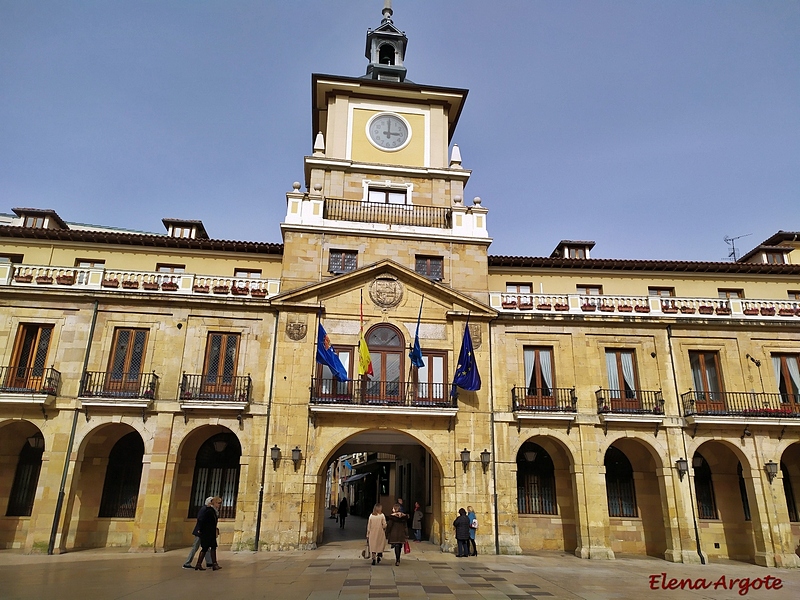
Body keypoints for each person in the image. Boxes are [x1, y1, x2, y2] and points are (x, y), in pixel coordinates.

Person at [182, 497, 215, 569]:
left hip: (204, 532)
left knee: (206, 547)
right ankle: (187, 563)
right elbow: (200, 519)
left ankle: (209, 562)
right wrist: (199, 529)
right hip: (200, 532)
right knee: (195, 547)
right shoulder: (204, 509)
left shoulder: (209, 509)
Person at [193, 496, 222, 571]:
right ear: (214, 503)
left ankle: (208, 564)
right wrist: (201, 529)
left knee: (210, 548)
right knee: (207, 548)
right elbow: (202, 520)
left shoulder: (213, 511)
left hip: (210, 532)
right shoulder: (209, 510)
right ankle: (209, 564)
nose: (219, 505)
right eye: (218, 503)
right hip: (207, 533)